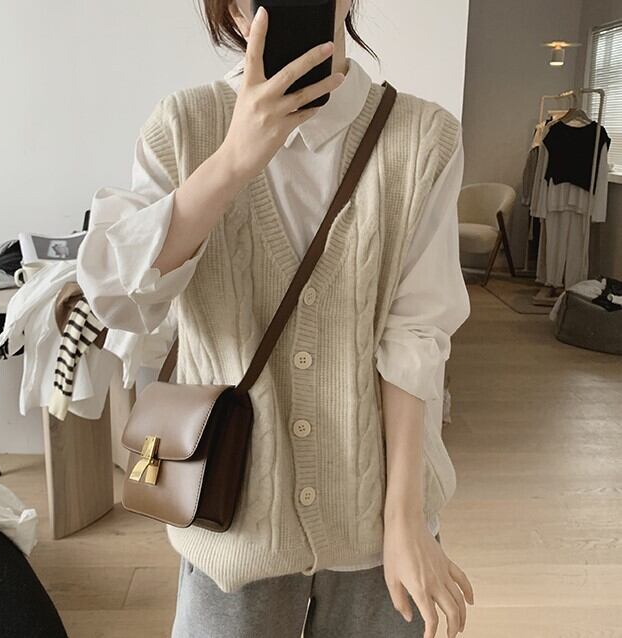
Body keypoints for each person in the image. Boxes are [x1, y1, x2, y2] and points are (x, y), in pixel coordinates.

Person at [77, 1, 475, 636]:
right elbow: (120, 298)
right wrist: (233, 160)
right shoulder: (182, 125)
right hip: (230, 522)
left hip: (379, 524)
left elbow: (416, 336)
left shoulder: (423, 136)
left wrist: (405, 519)